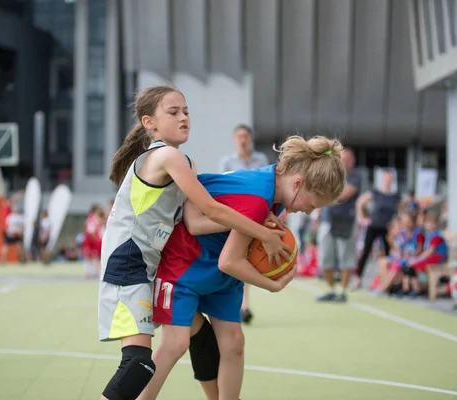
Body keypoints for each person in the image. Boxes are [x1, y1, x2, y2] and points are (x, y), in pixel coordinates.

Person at [98, 85, 290, 400]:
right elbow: (213, 208)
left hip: (148, 265)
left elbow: (197, 222)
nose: (184, 117)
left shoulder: (185, 162)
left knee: (199, 339)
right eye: (173, 113)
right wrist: (261, 231)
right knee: (138, 365)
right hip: (128, 262)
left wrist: (257, 220)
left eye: (186, 111)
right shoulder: (167, 156)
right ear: (150, 123)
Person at [141, 136, 346, 400]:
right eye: (312, 205)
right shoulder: (259, 198)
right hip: (186, 264)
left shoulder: (275, 186)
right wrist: (273, 284)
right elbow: (230, 261)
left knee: (234, 343)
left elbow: (234, 238)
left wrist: (259, 232)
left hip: (218, 269)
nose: (308, 212)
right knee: (174, 344)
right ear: (298, 183)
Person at [217, 124, 270, 325]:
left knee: (247, 258)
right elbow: (222, 188)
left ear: (251, 138)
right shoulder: (226, 162)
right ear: (234, 139)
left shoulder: (261, 160)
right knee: (232, 258)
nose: (243, 139)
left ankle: (244, 305)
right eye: (239, 136)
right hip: (234, 215)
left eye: (246, 136)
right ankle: (237, 304)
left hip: (256, 216)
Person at [316, 148, 361, 302]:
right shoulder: (330, 174)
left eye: (348, 158)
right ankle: (330, 290)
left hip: (346, 221)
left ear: (353, 161)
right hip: (327, 220)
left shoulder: (355, 177)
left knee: (346, 256)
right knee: (326, 255)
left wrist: (328, 194)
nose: (345, 161)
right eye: (343, 158)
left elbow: (344, 194)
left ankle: (342, 291)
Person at [355, 169, 401, 281]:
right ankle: (358, 278)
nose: (387, 180)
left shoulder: (395, 196)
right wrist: (362, 218)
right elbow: (360, 202)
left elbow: (400, 212)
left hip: (387, 229)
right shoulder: (376, 193)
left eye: (389, 178)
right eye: (386, 178)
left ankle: (386, 279)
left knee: (388, 253)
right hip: (374, 226)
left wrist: (396, 226)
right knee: (366, 252)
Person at [83, 204, 106, 279]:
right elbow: (90, 230)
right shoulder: (92, 218)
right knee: (92, 256)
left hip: (95, 240)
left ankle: (94, 272)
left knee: (94, 257)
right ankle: (92, 272)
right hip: (92, 240)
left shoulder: (93, 218)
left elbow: (90, 230)